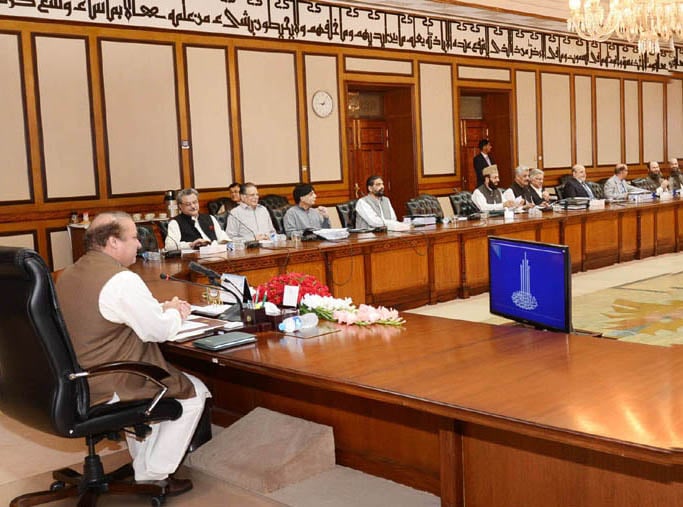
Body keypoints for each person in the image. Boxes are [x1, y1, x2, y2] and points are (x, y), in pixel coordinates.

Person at [55, 212, 210, 494]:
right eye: (134, 238)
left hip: (73, 379)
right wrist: (175, 312)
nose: (140, 245)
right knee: (194, 392)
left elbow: (105, 316)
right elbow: (159, 332)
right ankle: (152, 474)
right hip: (109, 379)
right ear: (113, 242)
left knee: (160, 387)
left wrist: (160, 310)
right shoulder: (120, 280)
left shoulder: (69, 273)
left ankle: (143, 464)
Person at [165, 188, 230, 251]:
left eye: (195, 202)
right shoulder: (175, 222)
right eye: (188, 204)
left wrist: (225, 242)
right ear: (180, 206)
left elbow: (222, 237)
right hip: (193, 258)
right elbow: (169, 246)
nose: (193, 206)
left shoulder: (210, 218)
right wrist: (191, 244)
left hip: (216, 254)